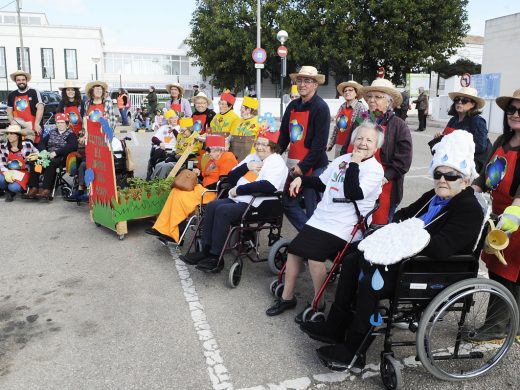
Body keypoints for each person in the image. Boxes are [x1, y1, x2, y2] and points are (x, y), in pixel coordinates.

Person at [300, 130, 484, 370]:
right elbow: (402, 214)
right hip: (409, 257)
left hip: (429, 269)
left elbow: (441, 248)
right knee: (354, 257)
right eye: (438, 173)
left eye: (451, 176)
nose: (442, 179)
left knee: (370, 281)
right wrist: (392, 232)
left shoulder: (468, 209)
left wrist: (405, 236)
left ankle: (354, 350)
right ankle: (335, 325)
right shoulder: (434, 196)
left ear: (467, 180)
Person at [267, 122, 385, 318]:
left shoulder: (374, 169)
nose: (363, 143)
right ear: (353, 140)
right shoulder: (342, 159)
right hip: (322, 218)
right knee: (294, 251)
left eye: (369, 140)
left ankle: (318, 303)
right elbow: (322, 183)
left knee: (314, 257)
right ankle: (287, 297)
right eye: (359, 138)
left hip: (346, 225)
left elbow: (352, 192)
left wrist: (354, 163)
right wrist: (301, 179)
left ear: (376, 146)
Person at [189, 128, 289, 273]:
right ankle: (206, 250)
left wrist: (238, 190)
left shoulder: (276, 162)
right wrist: (246, 167)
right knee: (212, 206)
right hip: (241, 199)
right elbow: (231, 177)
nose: (259, 147)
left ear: (272, 146)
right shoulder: (252, 157)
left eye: (264, 144)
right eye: (258, 143)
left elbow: (268, 186)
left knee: (223, 211)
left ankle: (216, 257)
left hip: (259, 203)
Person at [470, 88, 520, 341]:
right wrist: (471, 191)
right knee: (497, 269)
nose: (515, 113)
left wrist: (512, 217)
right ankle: (514, 323)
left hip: (515, 219)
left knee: (507, 273)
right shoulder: (502, 141)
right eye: (511, 109)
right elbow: (486, 174)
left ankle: (496, 328)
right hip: (496, 216)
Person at [341, 78, 413, 224]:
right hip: (356, 180)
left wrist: (383, 178)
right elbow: (346, 148)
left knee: (378, 230)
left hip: (385, 186)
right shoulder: (361, 120)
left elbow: (403, 161)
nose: (372, 100)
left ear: (389, 101)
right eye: (370, 96)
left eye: (377, 97)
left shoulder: (398, 125)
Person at [147, 135, 238, 245]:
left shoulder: (227, 157)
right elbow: (207, 176)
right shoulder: (213, 159)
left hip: (213, 192)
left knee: (182, 197)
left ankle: (176, 234)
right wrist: (199, 174)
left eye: (209, 149)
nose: (207, 152)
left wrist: (202, 186)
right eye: (206, 149)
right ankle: (163, 229)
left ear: (219, 149)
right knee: (176, 191)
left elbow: (224, 182)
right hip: (204, 189)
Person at [278, 66, 331, 232]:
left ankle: (313, 244)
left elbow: (319, 146)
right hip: (294, 164)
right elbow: (283, 137)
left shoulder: (321, 108)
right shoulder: (293, 105)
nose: (302, 84)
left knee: (312, 208)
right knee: (288, 202)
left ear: (315, 84)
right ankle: (308, 237)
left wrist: (303, 167)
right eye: (299, 80)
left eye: (307, 81)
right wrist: (271, 156)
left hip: (314, 166)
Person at [433, 87, 491, 173]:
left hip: (472, 165)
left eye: (464, 100)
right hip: (454, 160)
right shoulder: (453, 120)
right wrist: (440, 138)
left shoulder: (477, 121)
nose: (460, 102)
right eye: (457, 100)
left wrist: (457, 145)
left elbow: (480, 146)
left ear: (473, 104)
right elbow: (447, 139)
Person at [25, 113, 78, 200]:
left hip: (61, 157)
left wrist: (56, 153)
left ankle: (46, 189)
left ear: (66, 123)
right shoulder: (52, 132)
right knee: (34, 162)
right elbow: (41, 142)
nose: (60, 124)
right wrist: (44, 151)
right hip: (48, 155)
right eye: (58, 122)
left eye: (62, 122)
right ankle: (34, 188)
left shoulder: (70, 134)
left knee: (51, 163)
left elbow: (72, 146)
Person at [327, 81, 367, 158]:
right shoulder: (341, 107)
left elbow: (362, 130)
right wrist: (331, 143)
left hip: (351, 146)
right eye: (345, 91)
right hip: (339, 145)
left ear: (356, 93)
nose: (347, 92)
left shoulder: (362, 109)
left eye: (350, 90)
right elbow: (337, 128)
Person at [0, 124, 39, 202]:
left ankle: (11, 190)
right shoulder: (2, 146)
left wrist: (35, 156)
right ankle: (6, 190)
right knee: (1, 180)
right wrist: (6, 173)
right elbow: (2, 163)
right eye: (8, 133)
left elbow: (37, 153)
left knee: (13, 187)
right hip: (8, 170)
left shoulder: (27, 145)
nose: (9, 136)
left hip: (23, 172)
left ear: (18, 135)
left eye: (12, 133)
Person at [7, 70, 44, 144]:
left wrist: (37, 124)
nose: (21, 82)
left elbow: (40, 107)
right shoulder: (11, 95)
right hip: (19, 128)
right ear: (15, 81)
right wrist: (12, 123)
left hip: (34, 127)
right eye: (18, 80)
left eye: (23, 79)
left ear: (26, 80)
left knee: (36, 151)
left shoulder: (34, 92)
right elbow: (9, 111)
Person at [147, 109, 179, 180]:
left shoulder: (179, 128)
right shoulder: (163, 128)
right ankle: (152, 174)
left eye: (175, 118)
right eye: (171, 118)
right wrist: (160, 143)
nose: (174, 120)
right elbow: (154, 138)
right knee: (156, 153)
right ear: (168, 120)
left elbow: (180, 138)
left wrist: (173, 130)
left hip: (174, 150)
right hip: (162, 148)